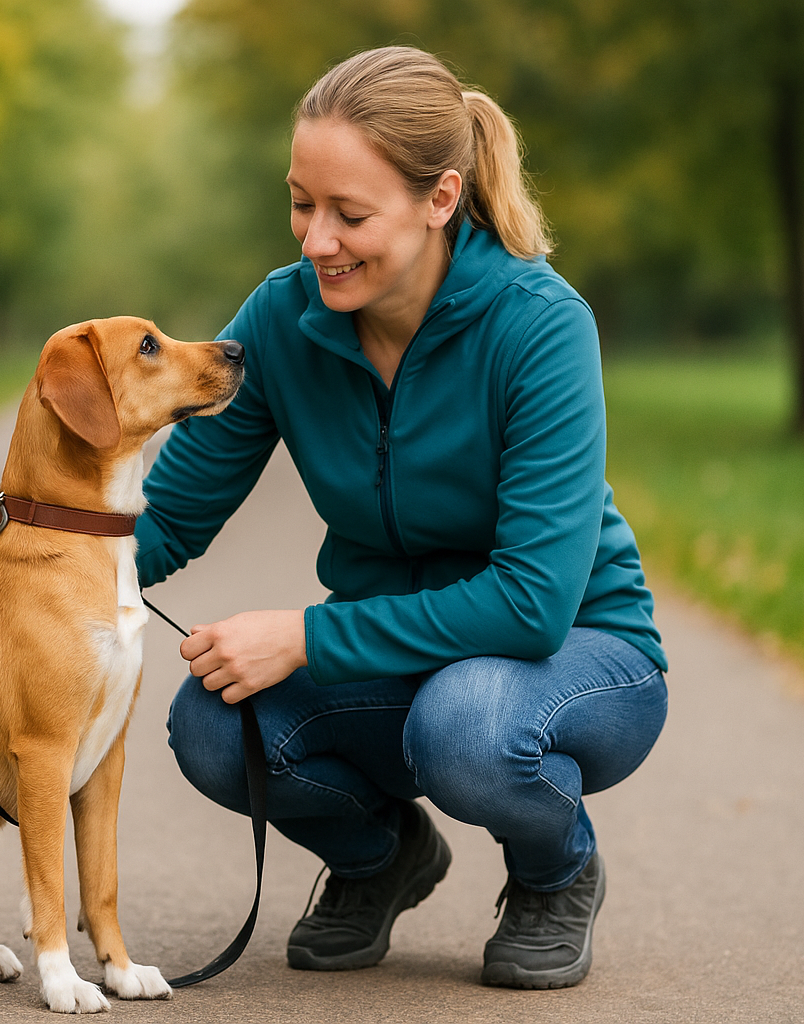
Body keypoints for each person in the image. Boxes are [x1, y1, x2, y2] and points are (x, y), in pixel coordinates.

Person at [133, 46, 668, 990]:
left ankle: (555, 872)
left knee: (464, 725)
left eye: (349, 214)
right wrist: (17, 573)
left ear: (440, 198)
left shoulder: (539, 324)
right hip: (402, 666)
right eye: (301, 203)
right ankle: (381, 856)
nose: (316, 241)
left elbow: (532, 605)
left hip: (577, 655)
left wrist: (306, 636)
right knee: (214, 725)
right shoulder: (281, 321)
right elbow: (167, 518)